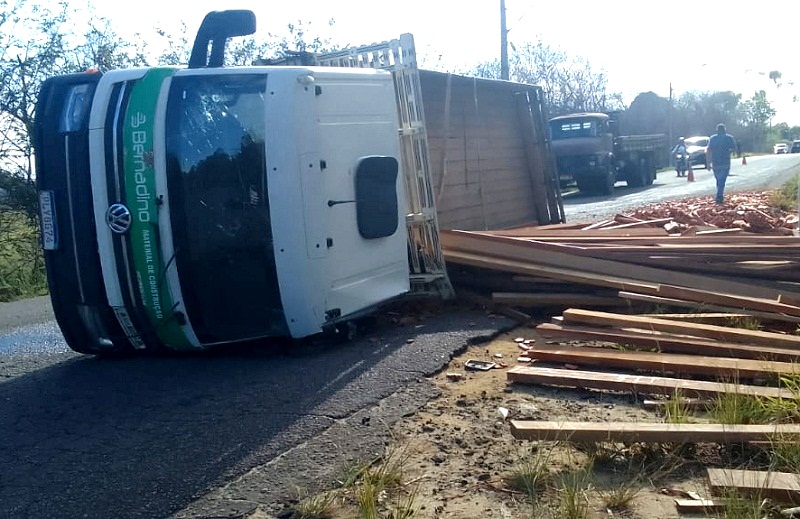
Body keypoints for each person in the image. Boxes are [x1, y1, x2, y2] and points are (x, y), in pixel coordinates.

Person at [705, 123, 737, 204]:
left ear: (717, 130)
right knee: (722, 179)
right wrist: (731, 152)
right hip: (725, 161)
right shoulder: (729, 138)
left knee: (719, 179)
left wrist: (708, 163)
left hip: (715, 162)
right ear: (724, 130)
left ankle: (719, 194)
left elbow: (708, 150)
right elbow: (734, 148)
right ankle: (719, 195)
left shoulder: (712, 138)